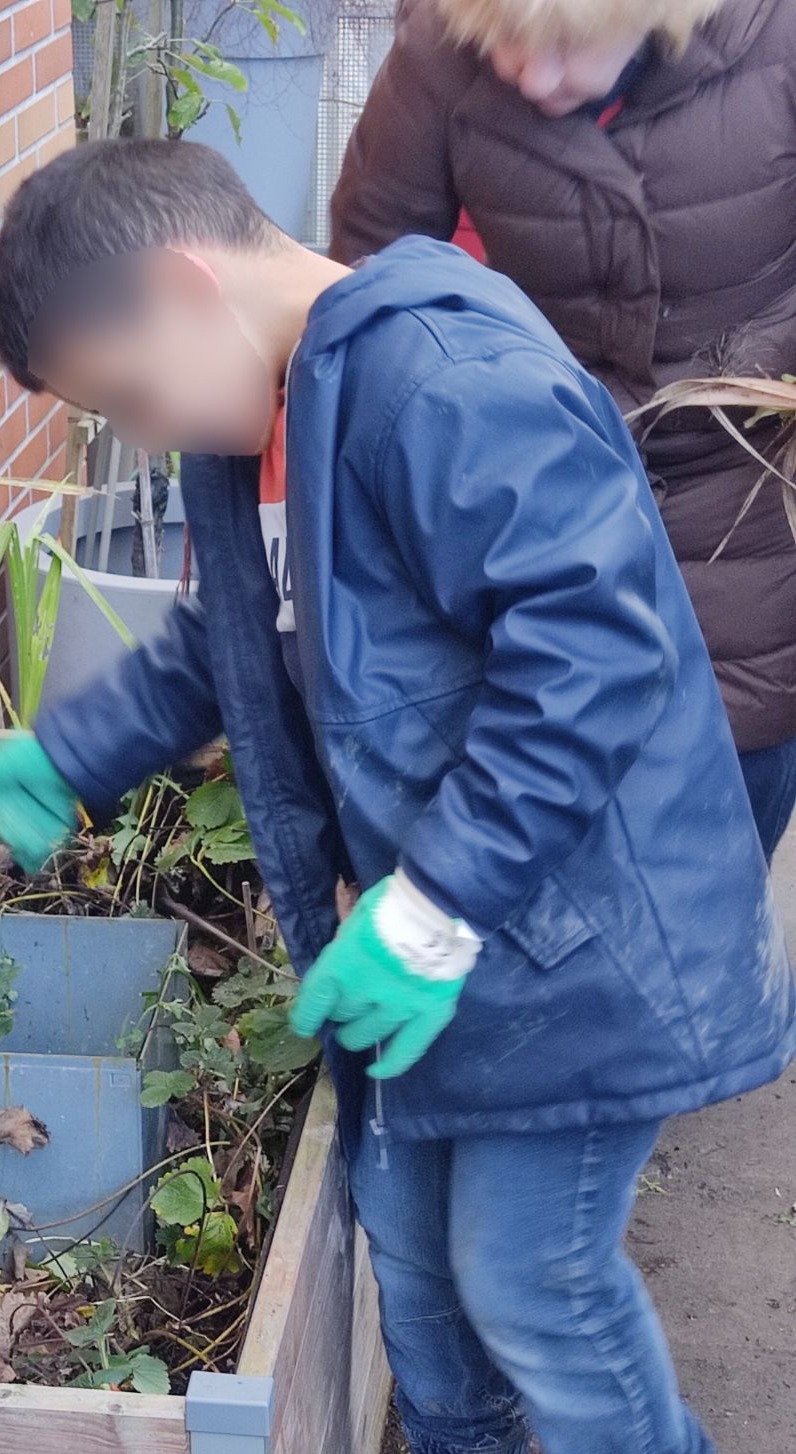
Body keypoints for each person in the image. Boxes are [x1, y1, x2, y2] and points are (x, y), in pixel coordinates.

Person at [0, 138, 795, 1454]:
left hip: (582, 943)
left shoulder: (443, 384)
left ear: (189, 287)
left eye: (130, 397)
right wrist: (68, 752)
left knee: (531, 1273)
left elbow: (591, 654)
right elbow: (225, 637)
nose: (146, 436)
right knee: (405, 1232)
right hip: (442, 932)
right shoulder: (259, 422)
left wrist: (433, 906)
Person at [331, 0, 796, 861]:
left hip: (748, 524)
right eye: (503, 41)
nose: (529, 74)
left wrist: (750, 368)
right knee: (545, 818)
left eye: (565, 46)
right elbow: (369, 284)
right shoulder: (441, 51)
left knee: (721, 852)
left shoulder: (775, 41)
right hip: (542, 510)